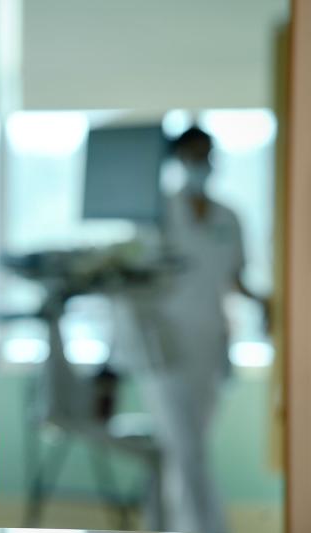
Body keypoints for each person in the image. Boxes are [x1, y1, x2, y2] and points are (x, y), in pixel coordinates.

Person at [122, 126, 265, 533]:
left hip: (210, 345)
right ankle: (204, 526)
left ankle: (161, 522)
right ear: (178, 160)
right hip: (165, 347)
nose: (201, 164)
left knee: (186, 447)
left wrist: (271, 304)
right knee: (185, 448)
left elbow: (236, 279)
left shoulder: (230, 217)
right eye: (193, 155)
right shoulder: (157, 215)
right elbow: (134, 281)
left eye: (206, 155)